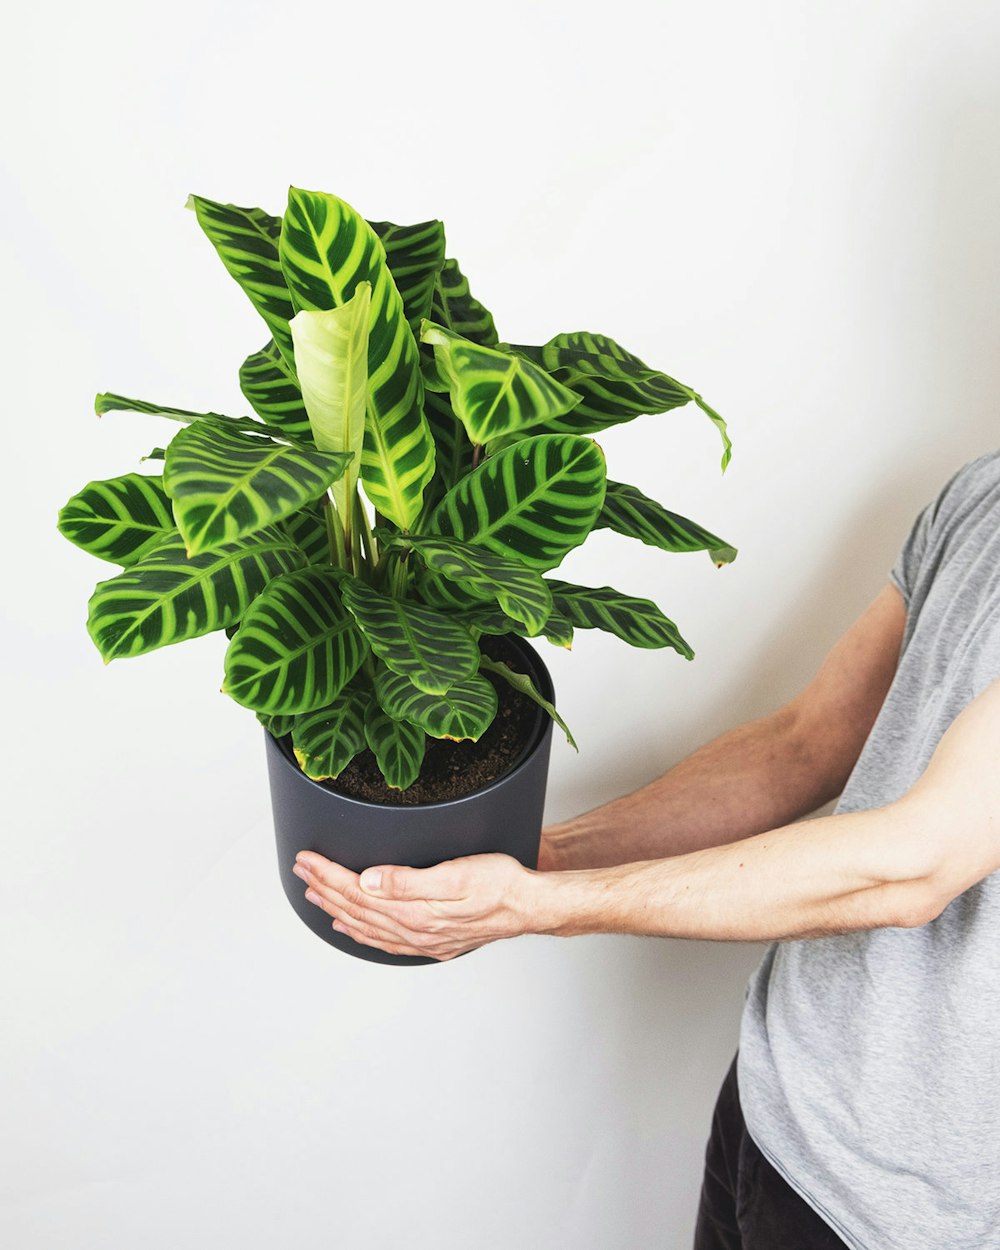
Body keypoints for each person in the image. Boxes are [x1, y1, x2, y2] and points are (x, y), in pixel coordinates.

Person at [291, 449, 1000, 1249]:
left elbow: (915, 866)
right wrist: (549, 858)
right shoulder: (983, 495)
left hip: (903, 1215)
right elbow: (802, 746)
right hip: (775, 1106)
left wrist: (545, 908)